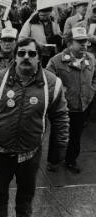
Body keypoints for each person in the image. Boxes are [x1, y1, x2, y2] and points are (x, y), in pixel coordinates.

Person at [0, 37, 69, 217]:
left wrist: (60, 147)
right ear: (15, 57)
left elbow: (60, 117)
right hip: (0, 153)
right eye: (21, 53)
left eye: (31, 53)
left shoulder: (52, 84)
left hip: (30, 155)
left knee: (25, 201)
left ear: (39, 57)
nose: (26, 57)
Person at [46, 27, 96, 173]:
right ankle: (53, 161)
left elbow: (94, 77)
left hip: (82, 107)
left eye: (85, 41)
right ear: (69, 43)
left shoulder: (91, 59)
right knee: (57, 135)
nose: (84, 45)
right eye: (79, 42)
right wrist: (61, 94)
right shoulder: (56, 61)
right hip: (63, 107)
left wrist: (91, 91)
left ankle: (71, 160)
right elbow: (48, 81)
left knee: (76, 135)